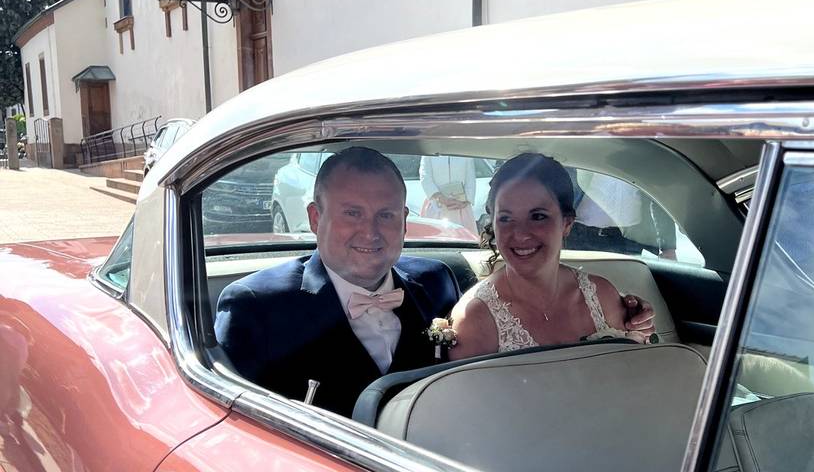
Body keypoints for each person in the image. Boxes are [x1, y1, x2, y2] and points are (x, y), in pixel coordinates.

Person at [216, 147, 656, 416]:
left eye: (387, 214)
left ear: (406, 220)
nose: (371, 232)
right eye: (353, 213)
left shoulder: (435, 281)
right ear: (316, 217)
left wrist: (628, 320)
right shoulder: (255, 306)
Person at [450, 153, 647, 359]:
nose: (521, 233)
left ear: (567, 224)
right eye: (506, 218)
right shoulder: (475, 320)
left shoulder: (602, 296)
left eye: (538, 216)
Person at [419, 155, 479, 240]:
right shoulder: (430, 151)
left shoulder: (464, 150)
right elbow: (425, 176)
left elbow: (471, 177)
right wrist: (438, 196)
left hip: (461, 207)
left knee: (464, 241)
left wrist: (465, 201)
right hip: (436, 205)